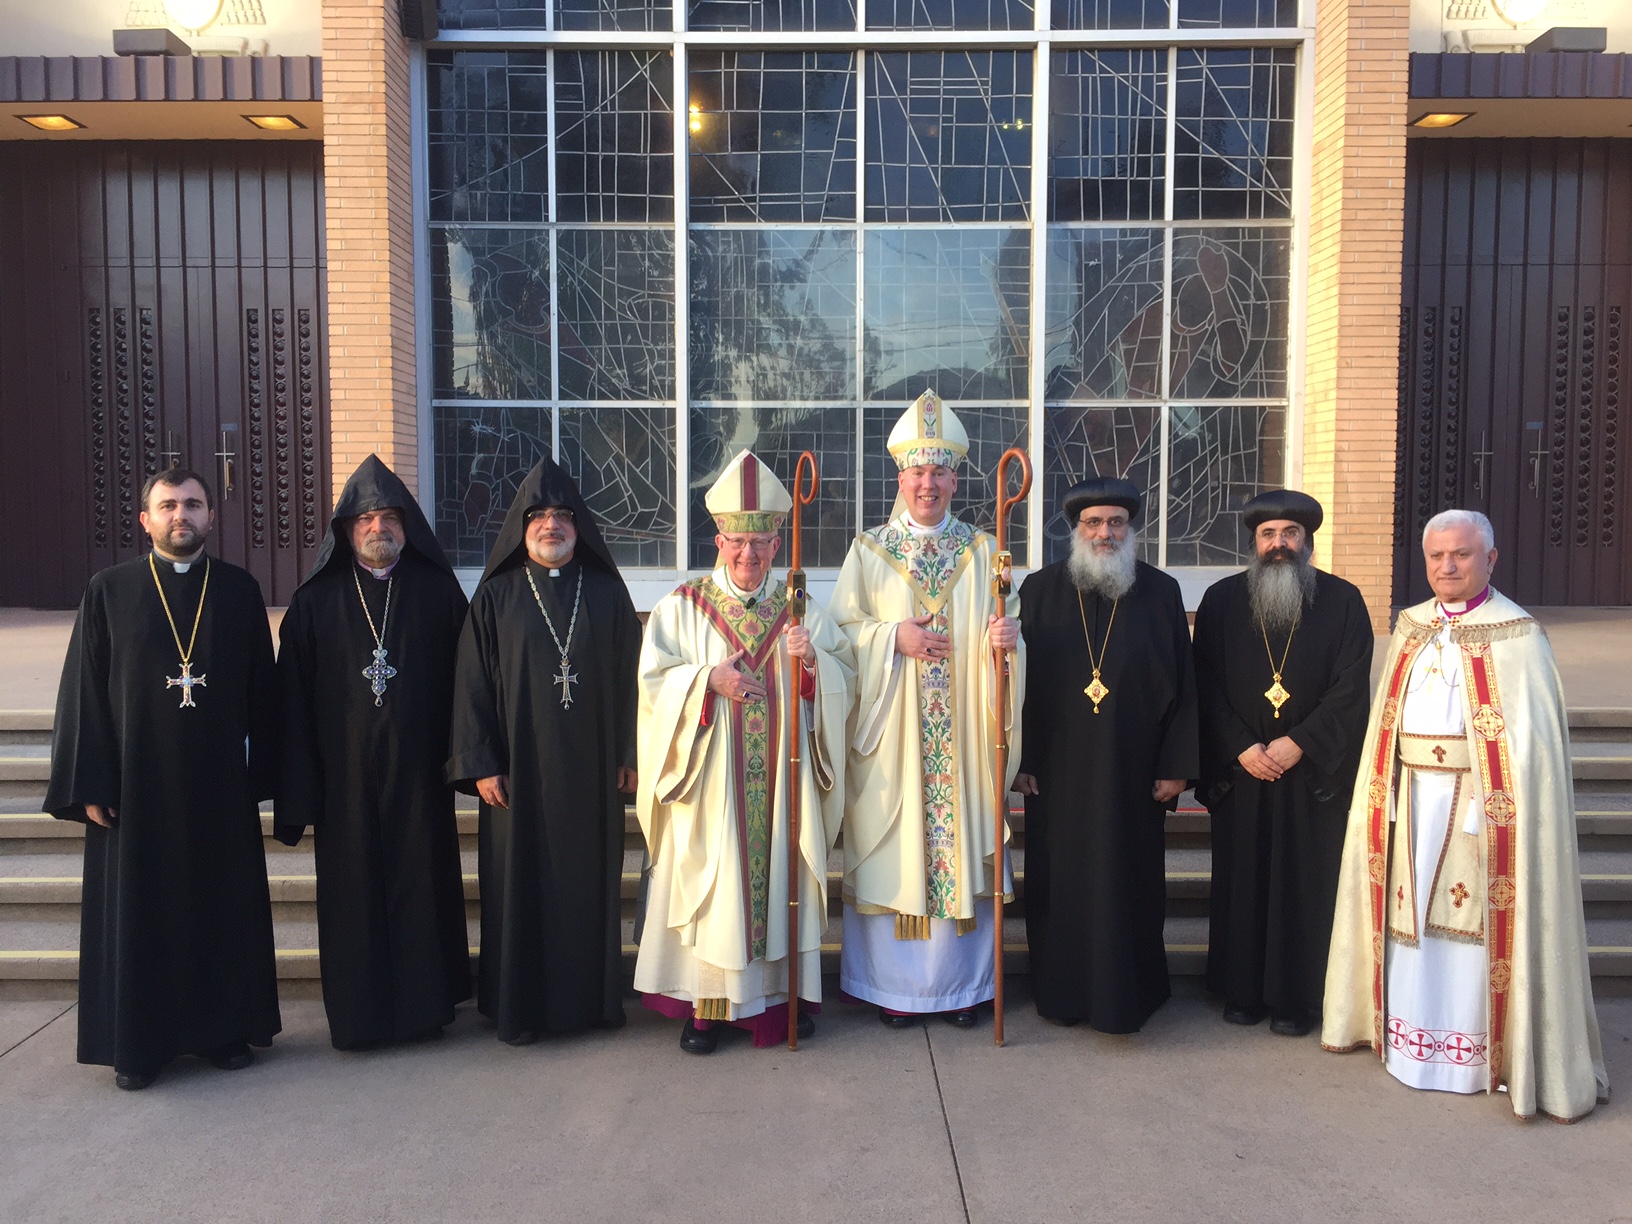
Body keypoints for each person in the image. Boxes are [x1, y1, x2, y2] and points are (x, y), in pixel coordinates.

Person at [1323, 509, 1609, 1121]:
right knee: (1409, 924)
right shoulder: (1411, 625)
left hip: (1483, 813)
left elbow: (1531, 747)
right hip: (1409, 803)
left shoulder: (1519, 635)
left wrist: (1497, 798)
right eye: (1437, 557)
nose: (1447, 567)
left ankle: (1481, 1055)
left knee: (1471, 931)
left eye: (1462, 555)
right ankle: (1407, 1042)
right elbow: (1385, 723)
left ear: (1490, 559)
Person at [45, 467, 280, 1090]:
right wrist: (90, 779)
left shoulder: (238, 590)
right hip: (135, 788)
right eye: (168, 505)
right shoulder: (109, 590)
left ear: (211, 517)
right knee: (140, 912)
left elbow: (264, 689)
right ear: (145, 519)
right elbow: (85, 690)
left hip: (218, 786)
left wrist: (268, 773)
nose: (182, 515)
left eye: (194, 504)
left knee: (221, 907)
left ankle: (224, 1033)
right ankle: (138, 1046)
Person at [635, 450, 855, 1053]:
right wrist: (706, 681)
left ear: (779, 540)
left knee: (778, 879)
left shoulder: (803, 608)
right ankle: (705, 1011)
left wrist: (813, 663)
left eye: (762, 544)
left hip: (780, 788)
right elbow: (654, 686)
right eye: (737, 542)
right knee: (714, 888)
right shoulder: (681, 607)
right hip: (710, 787)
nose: (749, 556)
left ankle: (775, 1006)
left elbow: (844, 680)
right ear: (718, 538)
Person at [831, 390, 1024, 1028]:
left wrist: (1007, 643)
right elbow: (838, 639)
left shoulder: (985, 551)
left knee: (956, 842)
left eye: (940, 471)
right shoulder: (869, 549)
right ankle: (894, 993)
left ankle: (963, 992)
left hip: (963, 738)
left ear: (956, 477)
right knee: (899, 845)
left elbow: (1008, 627)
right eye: (917, 471)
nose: (928, 483)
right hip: (890, 741)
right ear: (900, 476)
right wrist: (892, 639)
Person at [276, 455, 472, 1050]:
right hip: (345, 783)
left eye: (389, 517)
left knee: (423, 886)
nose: (377, 528)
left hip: (419, 776)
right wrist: (299, 791)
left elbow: (469, 688)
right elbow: (292, 704)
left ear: (407, 526)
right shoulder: (315, 603)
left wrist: (464, 761)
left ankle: (425, 1010)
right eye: (365, 519)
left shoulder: (439, 594)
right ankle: (358, 1021)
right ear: (345, 529)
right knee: (351, 896)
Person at [447, 457, 642, 1044]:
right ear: (521, 527)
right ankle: (521, 1010)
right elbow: (471, 686)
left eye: (562, 515)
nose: (551, 525)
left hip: (592, 772)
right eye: (539, 516)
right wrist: (482, 764)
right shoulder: (495, 599)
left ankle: (593, 1004)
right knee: (519, 886)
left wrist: (631, 752)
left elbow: (636, 680)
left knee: (588, 884)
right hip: (518, 779)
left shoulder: (608, 595)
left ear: (579, 527)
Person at [1014, 477, 1197, 1032]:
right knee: (1061, 881)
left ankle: (1130, 993)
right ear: (1075, 531)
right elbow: (1019, 685)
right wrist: (1021, 760)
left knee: (1130, 880)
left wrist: (1175, 766)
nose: (1105, 532)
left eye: (1115, 522)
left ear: (1131, 529)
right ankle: (1062, 992)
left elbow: (1185, 685)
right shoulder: (1039, 590)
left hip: (1134, 770)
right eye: (1093, 523)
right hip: (1058, 772)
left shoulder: (1161, 592)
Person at [1191, 490, 1373, 1036]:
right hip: (1243, 772)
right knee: (1242, 882)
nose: (1279, 544)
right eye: (1268, 535)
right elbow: (1204, 683)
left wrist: (1300, 743)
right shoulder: (1222, 601)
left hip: (1311, 773)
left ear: (1307, 543)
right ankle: (1240, 992)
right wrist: (1242, 747)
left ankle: (1298, 999)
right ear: (1254, 542)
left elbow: (1350, 688)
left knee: (1305, 885)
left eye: (1289, 534)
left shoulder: (1343, 601)